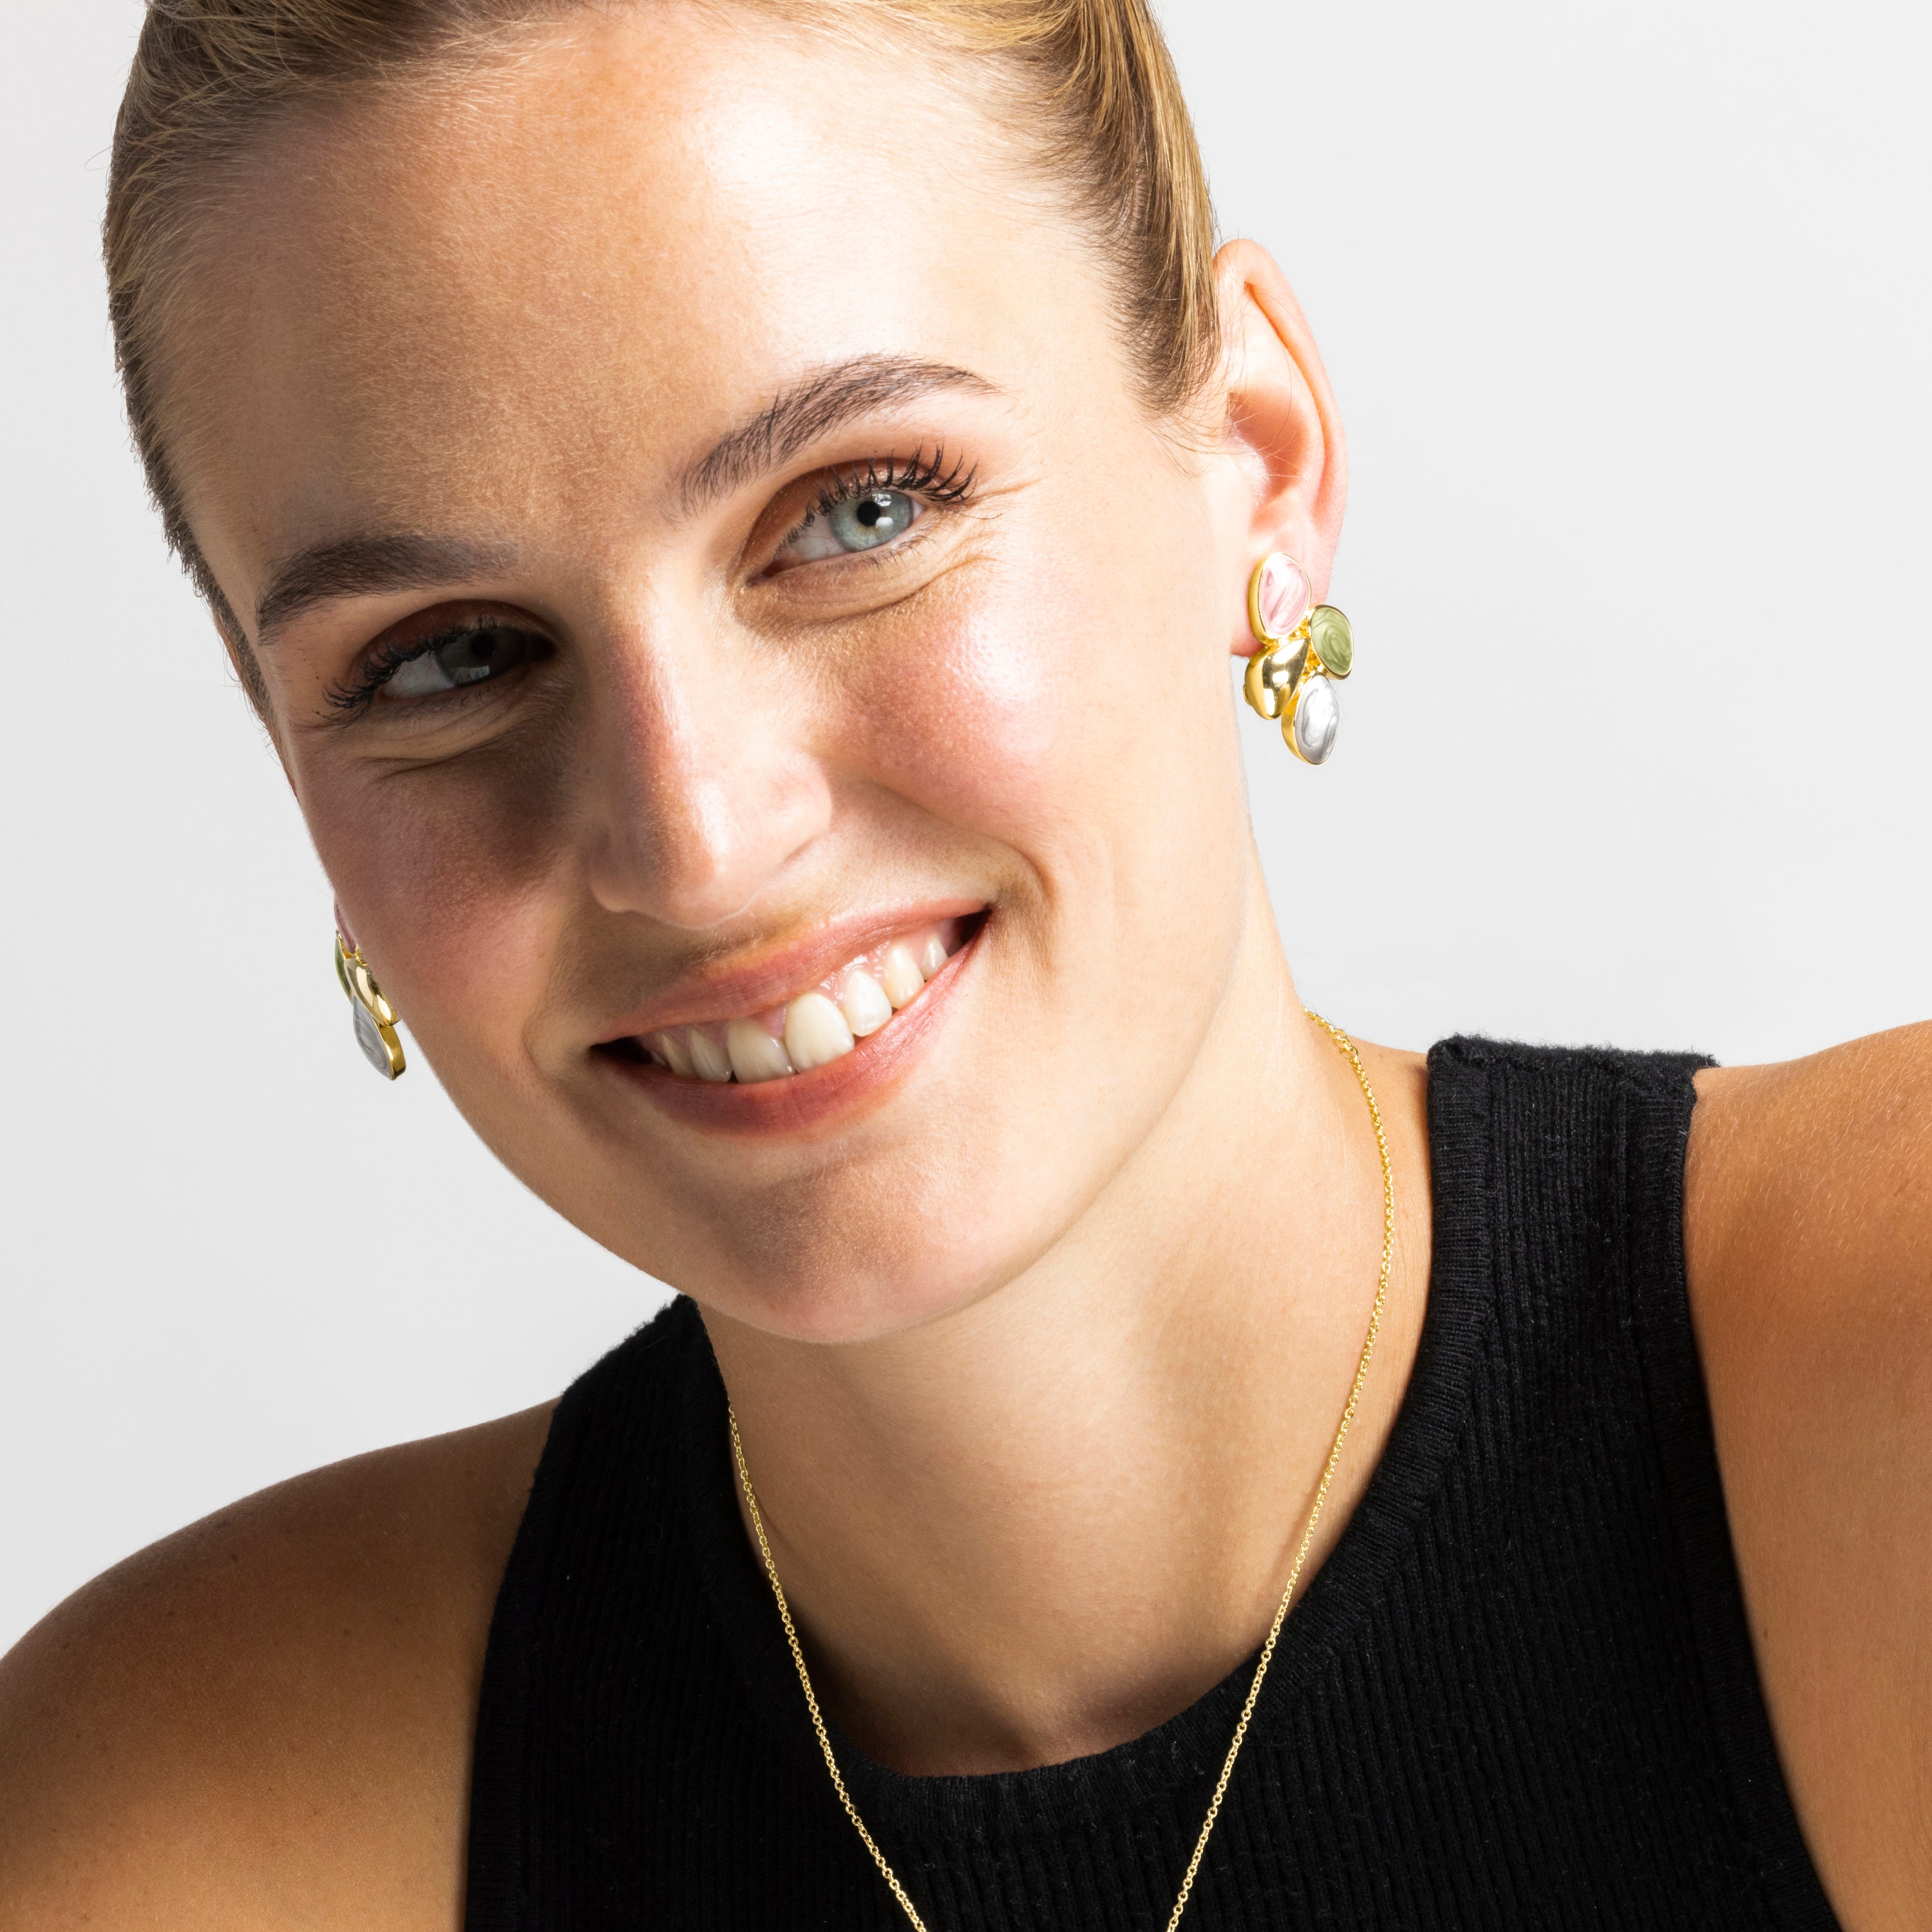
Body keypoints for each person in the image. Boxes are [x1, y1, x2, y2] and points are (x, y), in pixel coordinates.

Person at [1, 1, 1925, 1925]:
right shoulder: (177, 1834)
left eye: (861, 510)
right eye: (450, 658)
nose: (696, 843)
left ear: (1255, 460)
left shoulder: (1882, 1381)